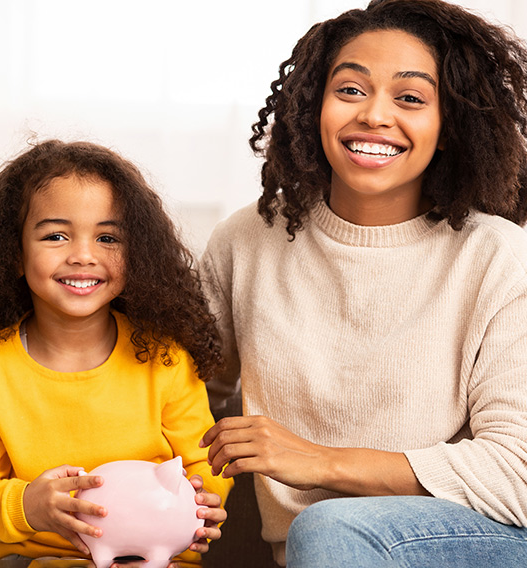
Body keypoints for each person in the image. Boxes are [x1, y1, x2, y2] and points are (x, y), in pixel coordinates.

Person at [198, 0, 527, 565]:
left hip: (471, 539)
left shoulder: (498, 256)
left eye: (410, 98)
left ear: (447, 128)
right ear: (313, 108)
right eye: (350, 90)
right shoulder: (247, 240)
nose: (374, 115)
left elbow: (517, 474)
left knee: (332, 528)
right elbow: (179, 393)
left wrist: (319, 461)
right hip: (322, 552)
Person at [0, 140, 232, 568]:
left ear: (136, 254)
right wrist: (26, 504)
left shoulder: (165, 358)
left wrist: (204, 497)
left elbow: (203, 460)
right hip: (40, 559)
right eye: (55, 235)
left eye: (107, 237)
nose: (83, 255)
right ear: (14, 253)